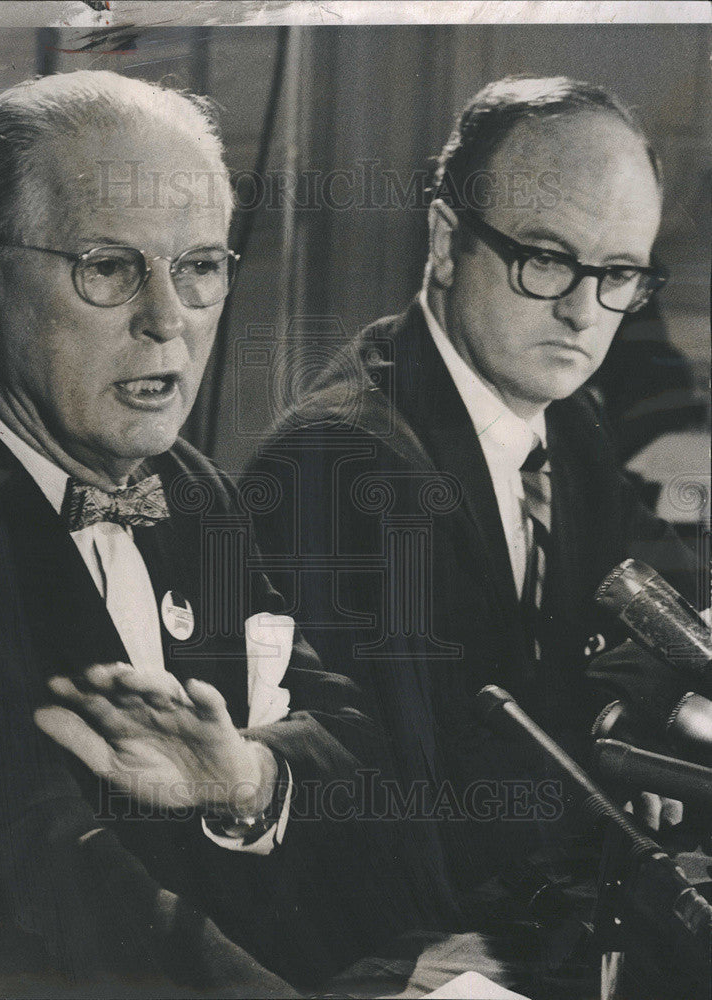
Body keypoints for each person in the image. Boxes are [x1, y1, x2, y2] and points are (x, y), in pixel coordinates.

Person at [0, 69, 388, 999]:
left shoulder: (195, 494)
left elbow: (350, 736)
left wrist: (250, 779)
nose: (168, 321)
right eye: (109, 265)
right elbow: (23, 888)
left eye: (200, 266)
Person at [246, 76, 701, 933]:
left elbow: (651, 626)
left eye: (618, 274)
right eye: (546, 259)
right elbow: (396, 801)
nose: (581, 309)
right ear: (447, 242)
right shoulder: (341, 465)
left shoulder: (570, 424)